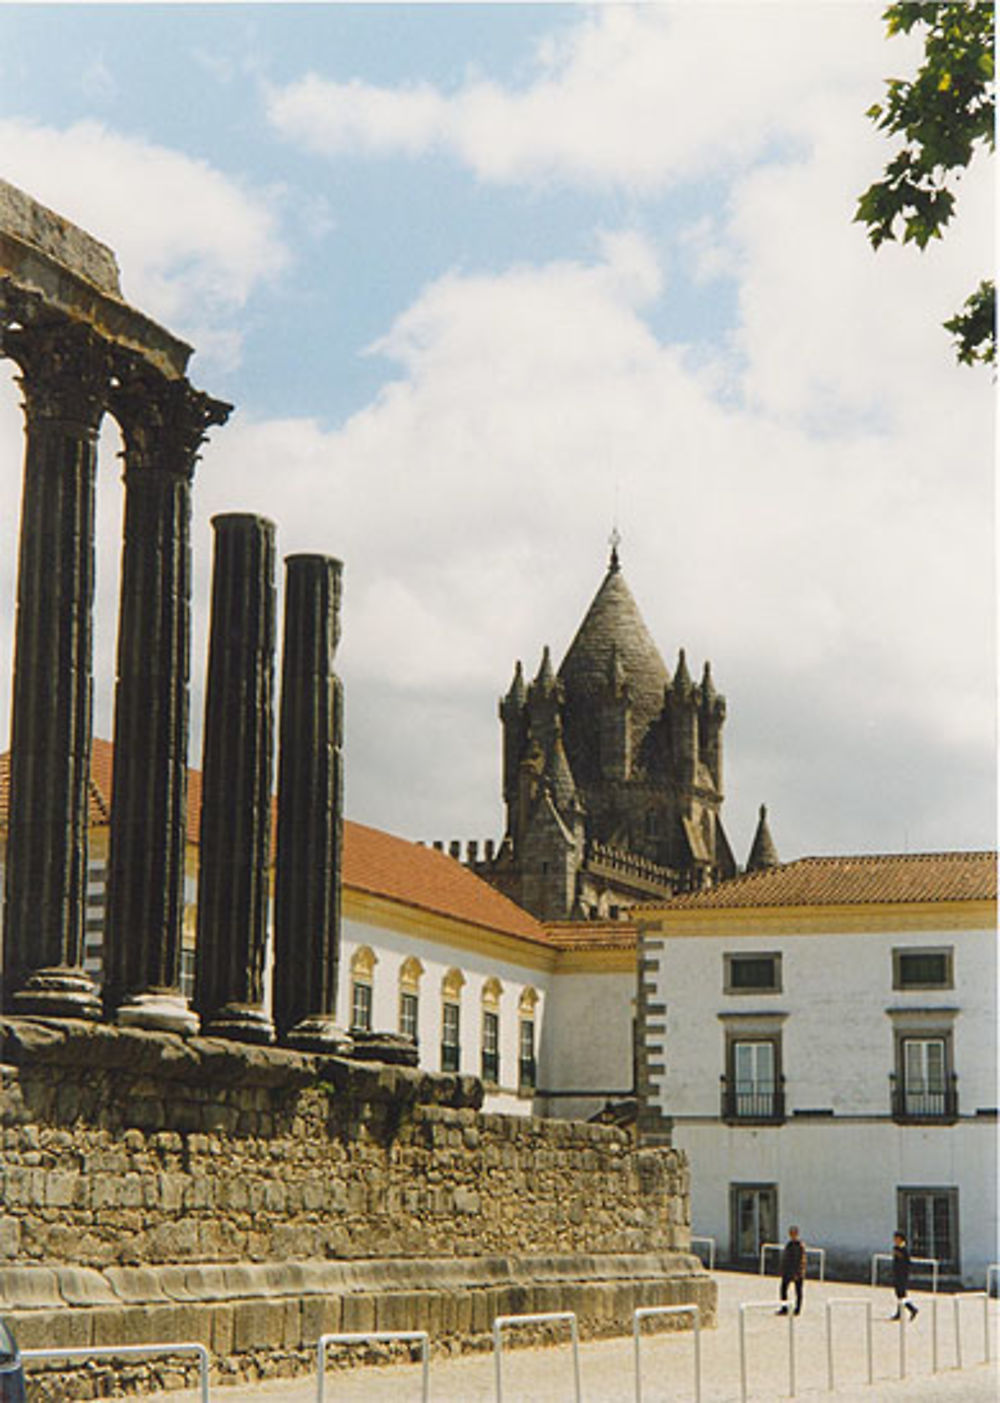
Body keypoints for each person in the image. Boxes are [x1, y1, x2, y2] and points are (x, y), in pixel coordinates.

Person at [776, 1225, 807, 1315]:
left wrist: (799, 1272)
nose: (792, 1235)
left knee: (798, 1291)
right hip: (788, 1271)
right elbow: (785, 1258)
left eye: (793, 1234)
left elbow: (802, 1260)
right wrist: (782, 1269)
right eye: (791, 1234)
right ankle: (784, 1307)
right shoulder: (789, 1245)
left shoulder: (800, 1245)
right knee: (783, 1289)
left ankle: (798, 1309)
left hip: (797, 1272)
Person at [889, 1230, 918, 1320]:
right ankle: (900, 1312)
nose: (894, 1240)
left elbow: (906, 1262)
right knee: (899, 1294)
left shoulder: (904, 1249)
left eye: (896, 1238)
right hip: (897, 1274)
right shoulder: (896, 1248)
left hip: (902, 1275)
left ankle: (912, 1309)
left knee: (901, 1294)